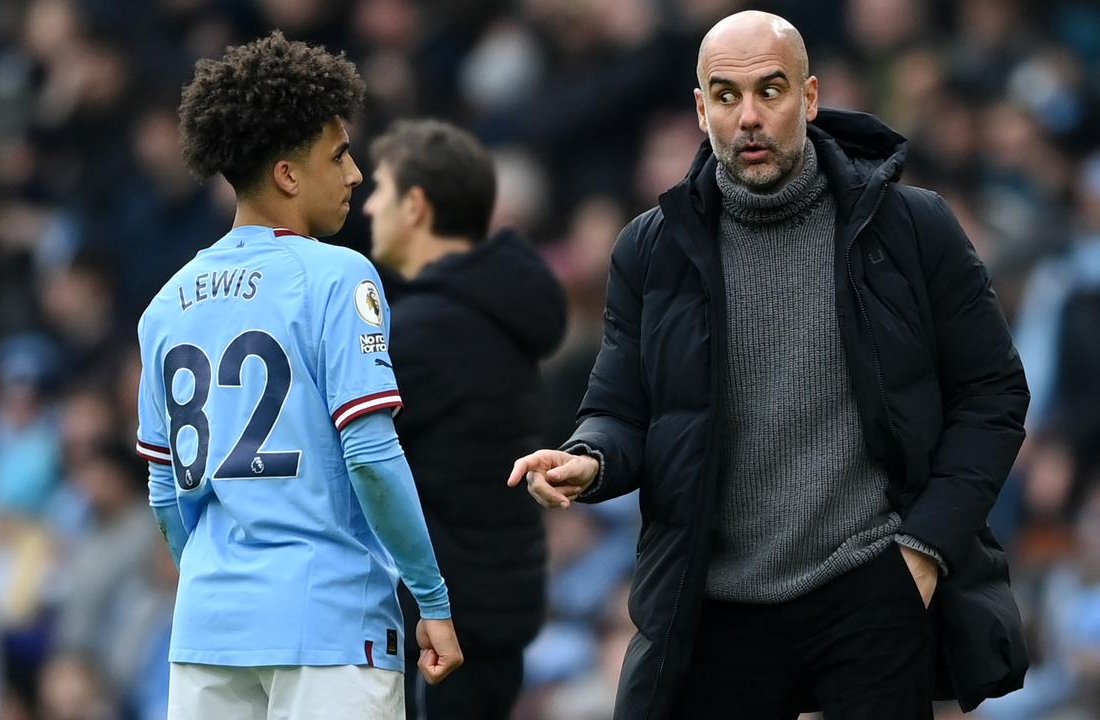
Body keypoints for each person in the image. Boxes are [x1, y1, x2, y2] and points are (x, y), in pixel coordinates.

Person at [509, 11, 1030, 720]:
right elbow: (620, 411)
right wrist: (589, 460)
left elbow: (993, 394)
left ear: (810, 98)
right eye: (725, 96)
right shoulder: (649, 250)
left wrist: (925, 551)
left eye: (771, 91)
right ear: (701, 110)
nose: (748, 116)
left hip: (872, 585)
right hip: (717, 603)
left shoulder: (913, 228)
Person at [135, 32, 462, 720]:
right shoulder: (338, 275)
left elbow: (166, 493)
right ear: (288, 174)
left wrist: (225, 581)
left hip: (206, 630)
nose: (355, 175)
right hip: (329, 622)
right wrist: (431, 598)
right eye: (338, 155)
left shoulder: (165, 304)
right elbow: (371, 456)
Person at [363, 119, 566, 719]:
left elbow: (351, 455)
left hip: (445, 621)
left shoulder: (427, 331)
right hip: (494, 603)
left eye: (381, 188)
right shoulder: (489, 310)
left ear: (416, 206)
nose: (369, 204)